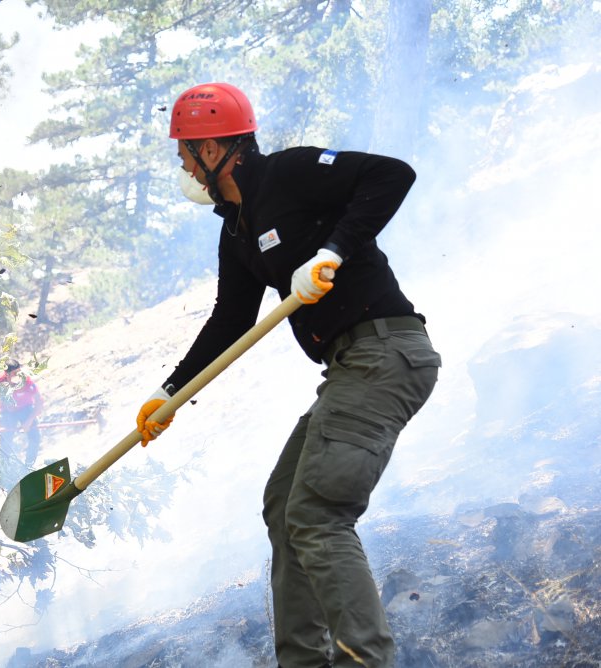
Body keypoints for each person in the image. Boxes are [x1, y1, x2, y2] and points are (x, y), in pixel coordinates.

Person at [136, 82, 441, 668]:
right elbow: (231, 319)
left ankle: (364, 661)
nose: (181, 165)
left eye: (184, 151)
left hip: (386, 353)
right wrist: (169, 393)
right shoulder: (237, 229)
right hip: (349, 367)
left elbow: (392, 174)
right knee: (284, 505)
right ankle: (301, 660)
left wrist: (331, 252)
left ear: (214, 147)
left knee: (318, 514)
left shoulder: (291, 172)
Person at [0, 360, 44, 470]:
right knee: (5, 443)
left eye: (19, 372)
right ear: (6, 375)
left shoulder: (27, 381)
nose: (19, 376)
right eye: (15, 374)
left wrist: (29, 421)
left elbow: (39, 402)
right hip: (6, 413)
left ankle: (28, 466)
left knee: (35, 437)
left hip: (26, 410)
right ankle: (7, 471)